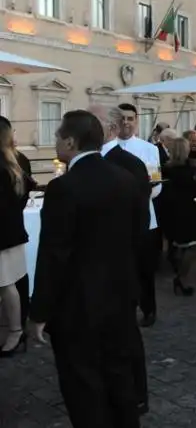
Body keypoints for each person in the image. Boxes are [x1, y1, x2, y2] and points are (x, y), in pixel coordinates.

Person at [28, 110, 145, 427]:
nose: (54, 141)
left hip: (78, 306)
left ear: (70, 140)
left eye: (57, 136)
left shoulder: (64, 188)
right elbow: (138, 238)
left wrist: (39, 312)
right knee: (120, 379)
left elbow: (53, 255)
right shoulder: (126, 179)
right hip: (120, 297)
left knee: (84, 388)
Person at [88, 104, 151, 414]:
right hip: (101, 269)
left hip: (118, 266)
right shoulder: (96, 163)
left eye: (94, 121)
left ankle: (135, 394)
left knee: (125, 334)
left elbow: (138, 220)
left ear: (110, 130)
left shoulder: (128, 164)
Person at [117, 103, 162, 328]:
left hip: (145, 218)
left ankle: (149, 309)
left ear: (137, 121)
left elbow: (156, 186)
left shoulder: (149, 149)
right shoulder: (106, 150)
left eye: (130, 118)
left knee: (145, 269)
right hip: (115, 221)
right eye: (122, 118)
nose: (126, 123)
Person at [0, 116, 33, 357]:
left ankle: (15, 331)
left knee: (6, 284)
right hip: (13, 228)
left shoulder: (7, 162)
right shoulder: (20, 159)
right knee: (11, 282)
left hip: (3, 232)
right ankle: (16, 329)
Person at [161, 138, 196, 296]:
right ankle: (181, 278)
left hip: (174, 210)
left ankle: (180, 275)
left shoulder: (167, 168)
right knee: (191, 247)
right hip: (190, 211)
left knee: (180, 245)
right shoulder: (191, 169)